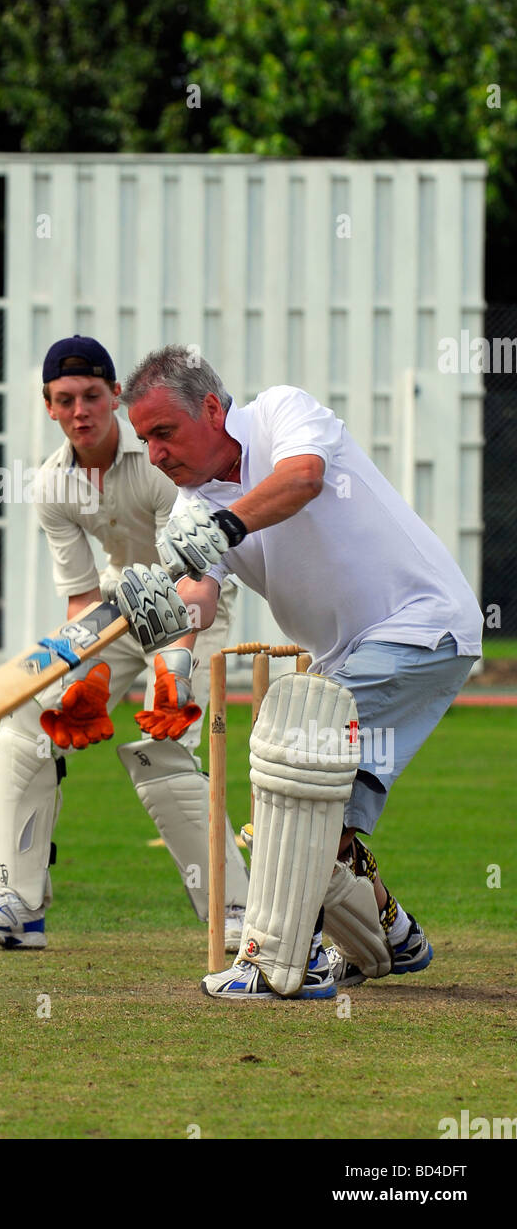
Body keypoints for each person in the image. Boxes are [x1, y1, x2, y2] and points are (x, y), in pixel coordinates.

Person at [123, 346, 483, 999]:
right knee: (322, 813)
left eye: (163, 433)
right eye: (144, 440)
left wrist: (224, 527)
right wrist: (168, 622)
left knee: (293, 765)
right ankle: (390, 936)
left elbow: (304, 479)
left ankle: (283, 962)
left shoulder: (281, 412)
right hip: (349, 656)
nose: (154, 454)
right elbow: (200, 600)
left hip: (420, 623)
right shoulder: (187, 510)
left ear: (210, 408)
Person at [0, 336, 248, 950]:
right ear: (49, 407)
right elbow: (81, 599)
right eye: (65, 400)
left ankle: (237, 914)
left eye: (91, 396)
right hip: (113, 610)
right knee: (27, 723)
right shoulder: (53, 485)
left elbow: (186, 577)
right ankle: (17, 904)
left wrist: (169, 671)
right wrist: (82, 677)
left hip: (189, 605)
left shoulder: (157, 462)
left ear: (115, 397)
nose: (80, 410)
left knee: (160, 749)